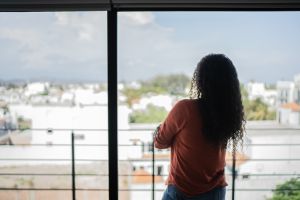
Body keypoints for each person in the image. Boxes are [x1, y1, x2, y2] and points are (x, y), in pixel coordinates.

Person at [154, 54, 245, 200]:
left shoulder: (184, 109)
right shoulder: (228, 113)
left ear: (201, 80)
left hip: (182, 192)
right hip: (216, 192)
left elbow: (160, 142)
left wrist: (159, 129)